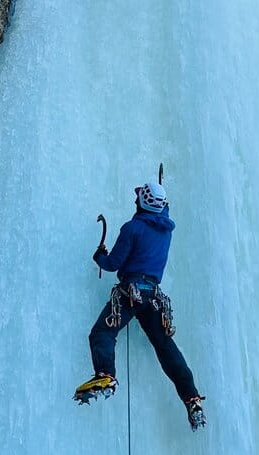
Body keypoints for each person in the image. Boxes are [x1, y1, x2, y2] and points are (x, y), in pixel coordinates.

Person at [74, 179, 206, 430]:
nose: (135, 199)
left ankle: (105, 376)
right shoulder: (166, 230)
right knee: (166, 348)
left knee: (102, 332)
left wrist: (99, 256)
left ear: (142, 201)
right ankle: (192, 398)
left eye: (138, 197)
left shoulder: (132, 228)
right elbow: (158, 215)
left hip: (130, 293)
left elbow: (113, 264)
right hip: (153, 297)